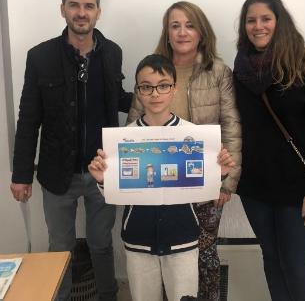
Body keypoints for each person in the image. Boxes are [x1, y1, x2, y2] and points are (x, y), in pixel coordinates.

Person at [10, 0, 132, 301]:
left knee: (101, 243)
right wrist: (21, 174)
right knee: (60, 247)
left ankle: (107, 296)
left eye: (88, 6)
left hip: (102, 171)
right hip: (56, 173)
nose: (81, 12)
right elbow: (28, 119)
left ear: (98, 12)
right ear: (62, 9)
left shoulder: (112, 52)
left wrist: (153, 98)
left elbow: (117, 98)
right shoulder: (40, 57)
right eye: (74, 5)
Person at [88, 54, 236, 301]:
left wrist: (219, 173)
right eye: (146, 87)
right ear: (138, 92)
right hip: (138, 239)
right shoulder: (124, 139)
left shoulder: (193, 136)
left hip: (183, 238)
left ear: (174, 89)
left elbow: (204, 191)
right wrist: (103, 179)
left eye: (163, 85)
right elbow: (115, 194)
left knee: (184, 297)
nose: (155, 94)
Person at [127, 1, 242, 301]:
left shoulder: (218, 72)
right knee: (164, 257)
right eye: (175, 26)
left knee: (204, 256)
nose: (182, 32)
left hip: (205, 181)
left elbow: (231, 126)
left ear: (201, 32)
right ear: (167, 32)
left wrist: (226, 182)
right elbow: (133, 130)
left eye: (190, 25)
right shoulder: (152, 70)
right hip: (158, 185)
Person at [233, 0, 305, 301]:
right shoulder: (241, 69)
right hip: (255, 187)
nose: (258, 26)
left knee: (296, 263)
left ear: (279, 21)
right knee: (272, 257)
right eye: (251, 20)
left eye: (266, 18)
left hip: (299, 187)